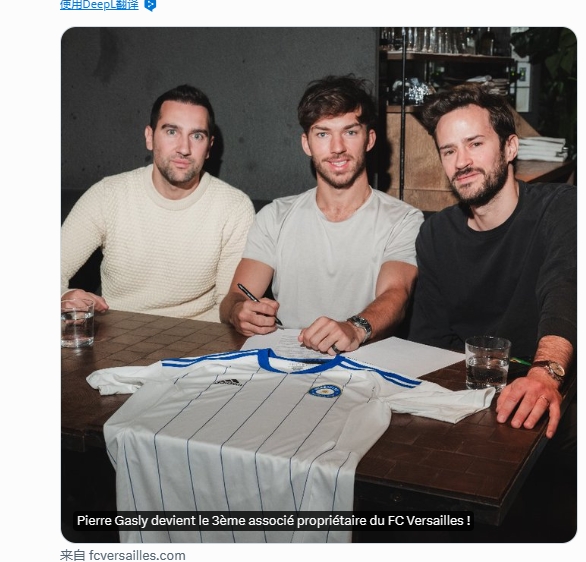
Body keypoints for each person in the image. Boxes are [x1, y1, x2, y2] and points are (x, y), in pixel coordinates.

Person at [407, 83, 576, 439]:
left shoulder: (561, 206)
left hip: (549, 392)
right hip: (468, 404)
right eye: (449, 150)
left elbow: (565, 289)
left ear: (510, 147)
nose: (461, 162)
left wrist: (545, 373)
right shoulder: (435, 234)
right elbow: (430, 343)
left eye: (475, 144)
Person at [220, 75, 424, 354]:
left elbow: (396, 294)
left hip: (363, 361)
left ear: (369, 139)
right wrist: (238, 312)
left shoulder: (403, 219)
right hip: (283, 359)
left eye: (350, 132)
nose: (337, 147)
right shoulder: (275, 216)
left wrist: (355, 328)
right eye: (323, 134)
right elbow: (233, 298)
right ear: (306, 144)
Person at [61, 84, 255, 322]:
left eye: (197, 136)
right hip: (118, 335)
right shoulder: (107, 195)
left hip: (199, 337)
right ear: (149, 137)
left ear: (208, 148)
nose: (184, 148)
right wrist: (64, 297)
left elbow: (229, 306)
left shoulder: (234, 207)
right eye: (172, 132)